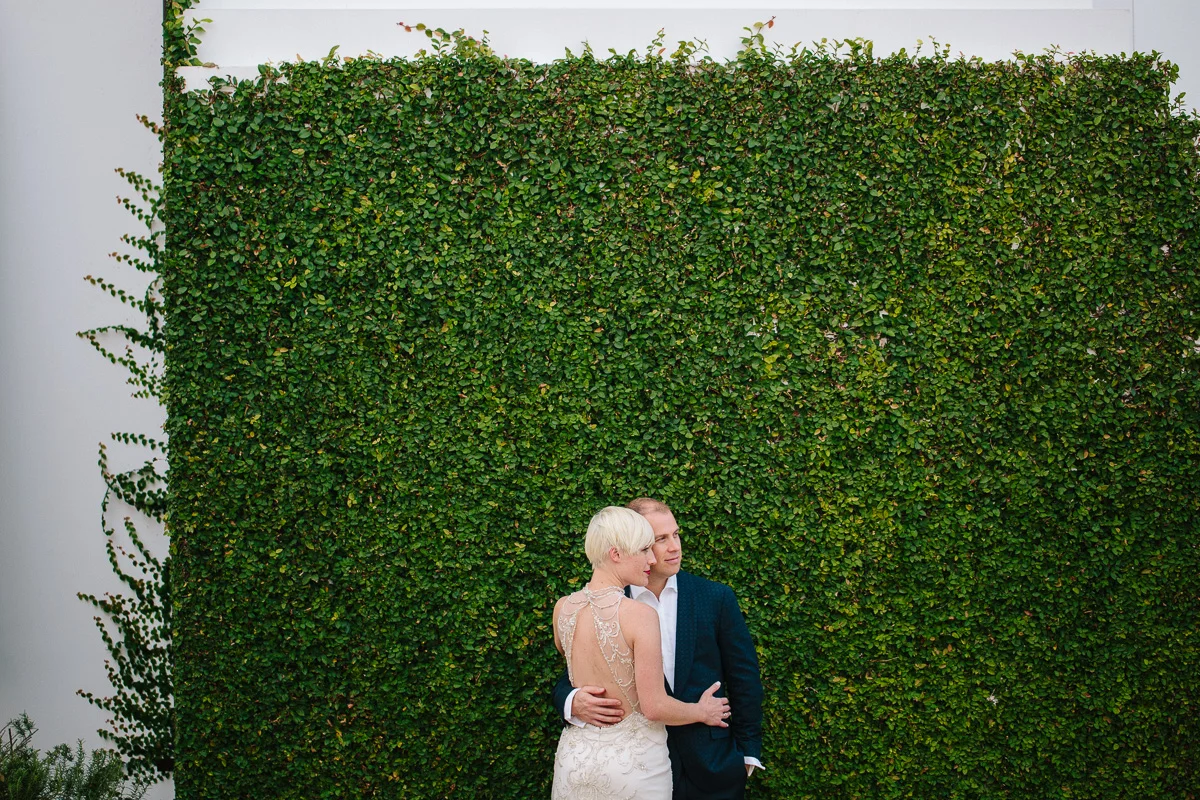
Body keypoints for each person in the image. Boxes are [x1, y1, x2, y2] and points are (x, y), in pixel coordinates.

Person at [553, 499, 764, 800]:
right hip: (639, 768)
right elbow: (577, 672)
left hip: (712, 765)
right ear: (627, 546)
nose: (674, 547)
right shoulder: (609, 606)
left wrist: (747, 755)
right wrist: (571, 701)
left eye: (676, 535)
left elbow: (744, 677)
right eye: (659, 540)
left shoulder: (715, 597)